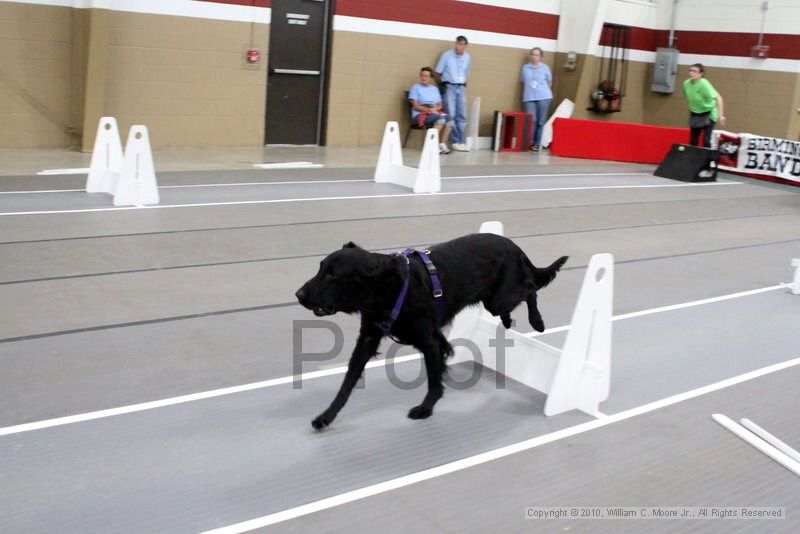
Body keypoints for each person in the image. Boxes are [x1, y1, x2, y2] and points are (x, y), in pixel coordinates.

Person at [435, 36, 471, 152]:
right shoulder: (446, 55)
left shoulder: (467, 58)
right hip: (449, 86)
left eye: (461, 44)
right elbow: (437, 72)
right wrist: (442, 87)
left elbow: (466, 73)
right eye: (457, 43)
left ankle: (461, 140)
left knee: (462, 115)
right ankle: (455, 140)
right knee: (452, 114)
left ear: (465, 46)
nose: (458, 46)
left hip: (461, 86)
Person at [409, 67, 454, 154]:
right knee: (440, 119)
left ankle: (442, 144)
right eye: (422, 75)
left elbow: (440, 105)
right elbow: (415, 106)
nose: (423, 78)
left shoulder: (434, 89)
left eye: (426, 76)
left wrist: (435, 109)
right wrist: (429, 110)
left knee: (450, 120)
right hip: (420, 114)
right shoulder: (415, 87)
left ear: (431, 78)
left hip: (434, 112)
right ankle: (432, 145)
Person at [683, 63, 726, 148]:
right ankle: (692, 160)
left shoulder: (704, 84)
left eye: (694, 71)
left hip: (708, 113)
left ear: (701, 74)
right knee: (693, 140)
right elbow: (690, 98)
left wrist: (720, 115)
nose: (691, 73)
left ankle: (708, 160)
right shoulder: (686, 84)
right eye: (690, 71)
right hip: (695, 113)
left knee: (706, 141)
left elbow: (719, 98)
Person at [520, 47, 553, 152]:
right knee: (531, 120)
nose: (534, 57)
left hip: (544, 97)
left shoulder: (545, 68)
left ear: (540, 57)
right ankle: (528, 142)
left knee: (540, 121)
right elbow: (523, 82)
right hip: (529, 98)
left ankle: (536, 143)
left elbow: (549, 82)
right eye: (532, 54)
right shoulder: (525, 68)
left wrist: (543, 91)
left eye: (537, 55)